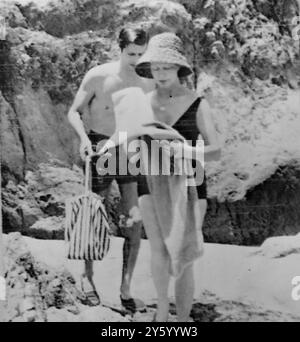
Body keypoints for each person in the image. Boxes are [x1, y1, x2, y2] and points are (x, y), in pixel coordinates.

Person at [134, 32, 221, 322]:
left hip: (191, 182)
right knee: (157, 249)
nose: (159, 73)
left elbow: (217, 150)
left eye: (165, 67)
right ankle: (161, 313)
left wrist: (186, 151)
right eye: (155, 68)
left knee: (184, 254)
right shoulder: (142, 102)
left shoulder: (198, 103)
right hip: (150, 180)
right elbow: (131, 144)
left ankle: (182, 320)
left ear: (179, 69)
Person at [67, 26, 154, 311]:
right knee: (92, 216)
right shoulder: (98, 75)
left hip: (128, 151)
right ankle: (87, 279)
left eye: (141, 54)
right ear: (120, 49)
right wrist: (83, 139)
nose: (136, 60)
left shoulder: (146, 82)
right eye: (131, 54)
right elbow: (74, 111)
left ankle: (126, 289)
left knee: (134, 221)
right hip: (100, 147)